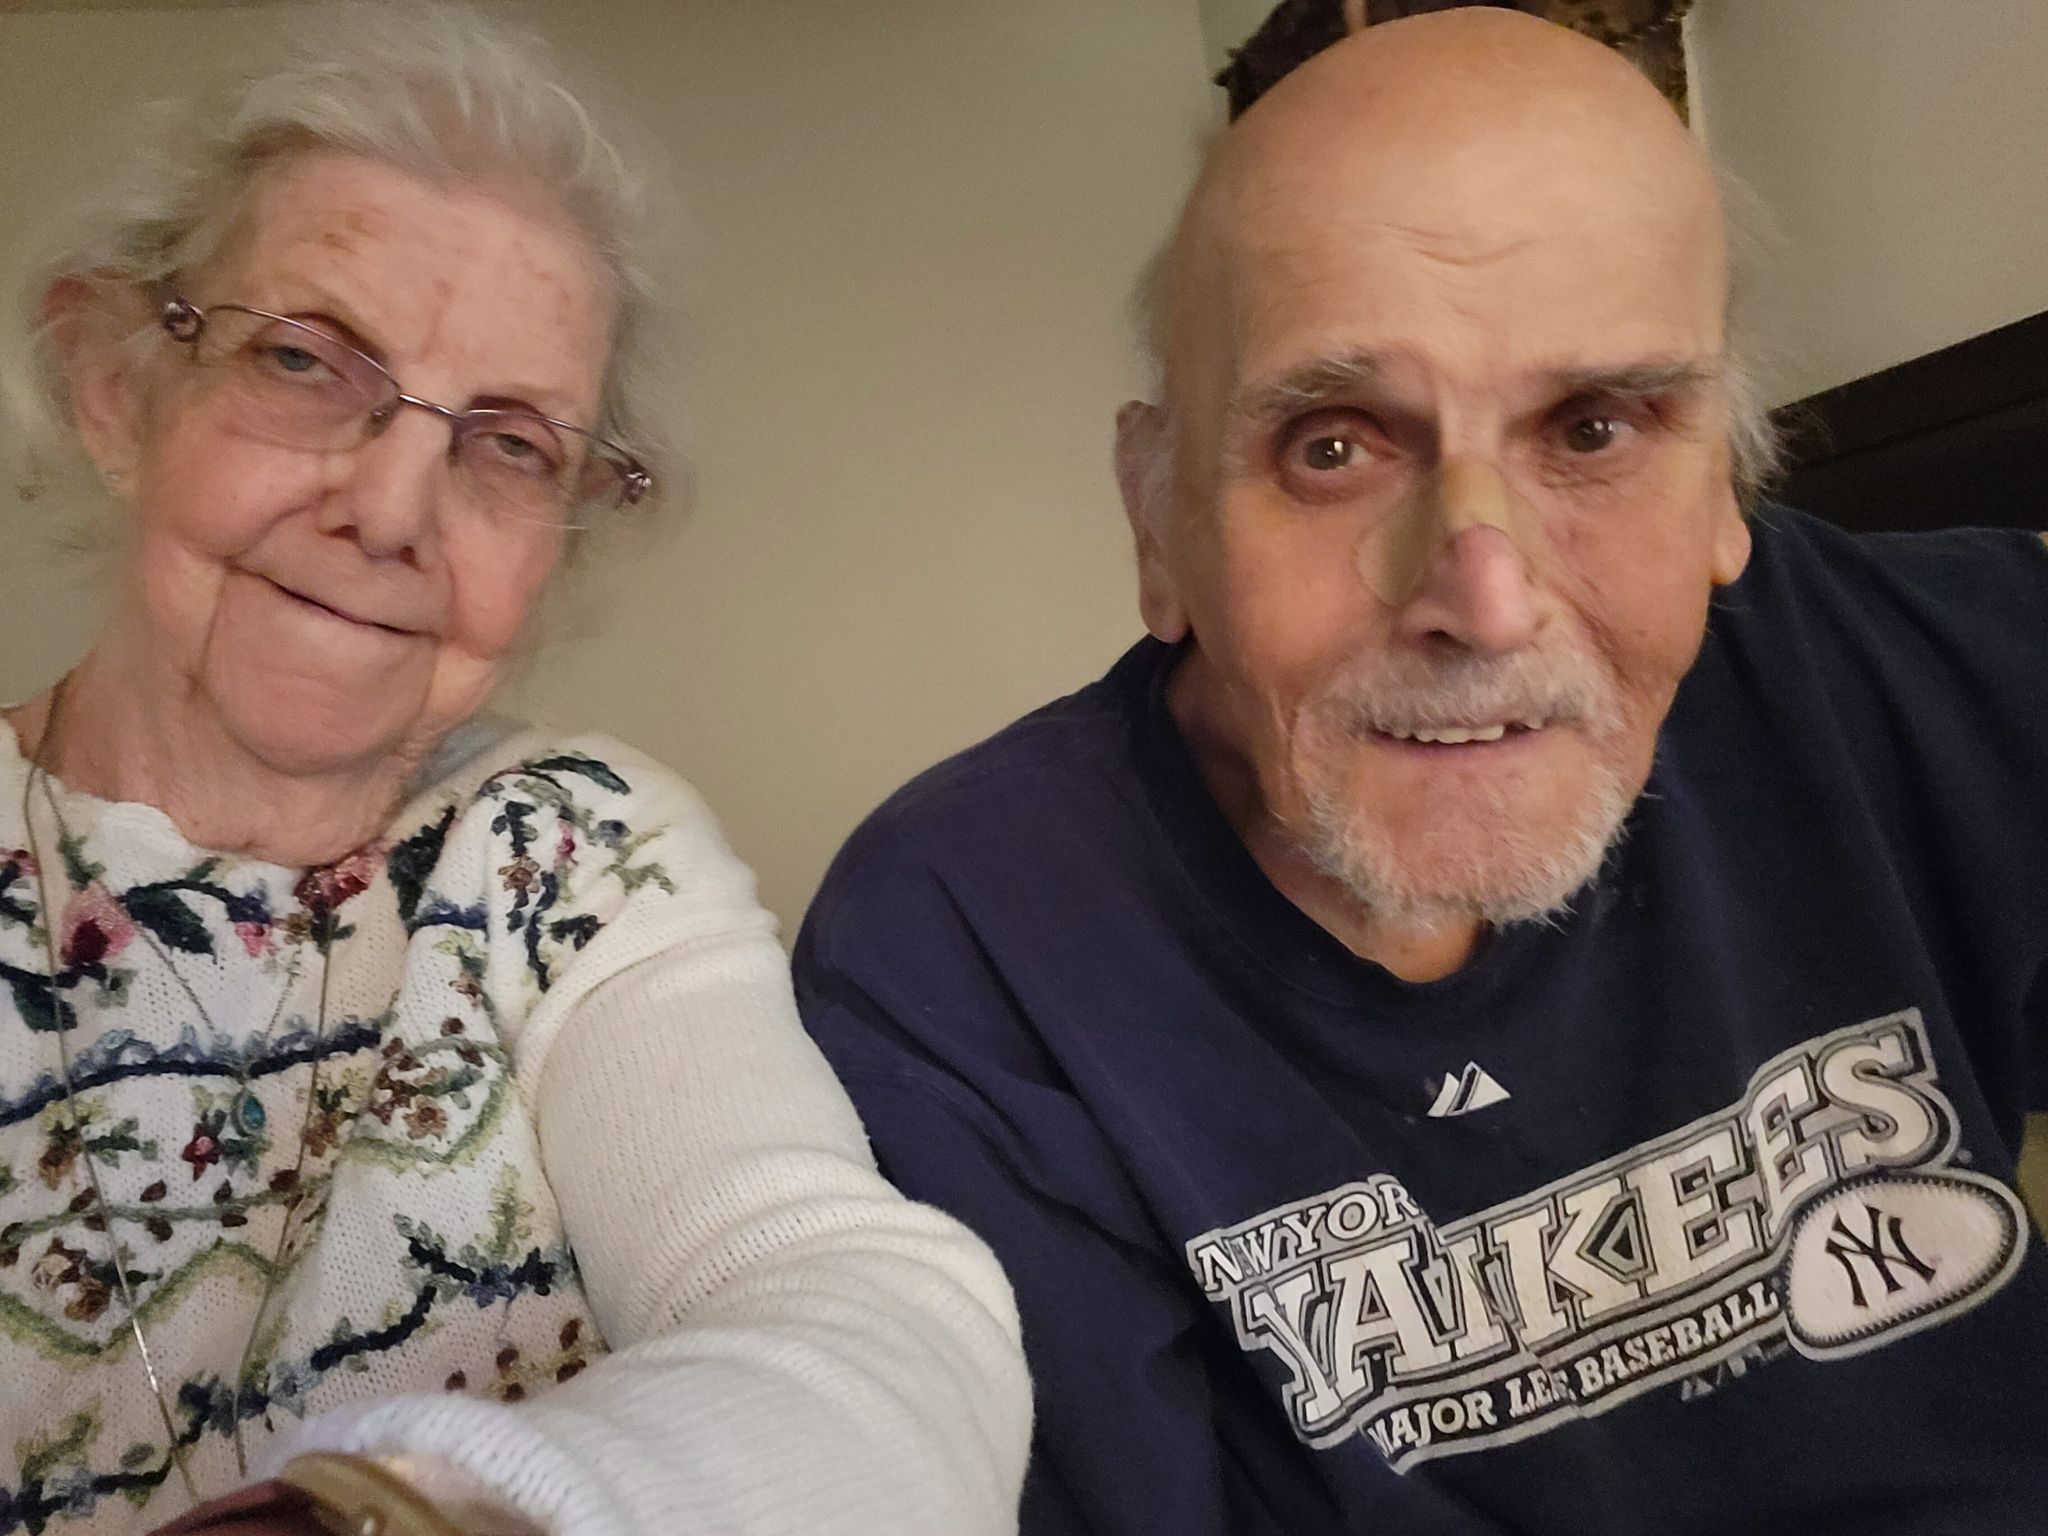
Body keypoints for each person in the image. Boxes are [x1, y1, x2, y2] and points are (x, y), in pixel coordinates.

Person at [793, 10, 2048, 1534]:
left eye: (1595, 428)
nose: (1487, 600)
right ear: (1159, 519)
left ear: (1724, 486)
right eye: (1332, 446)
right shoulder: (965, 938)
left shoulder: (1908, 667)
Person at [0, 7, 1029, 1534]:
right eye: (304, 360)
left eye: (510, 445)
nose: (391, 508)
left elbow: (876, 1327)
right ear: (112, 385)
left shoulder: (574, 850)